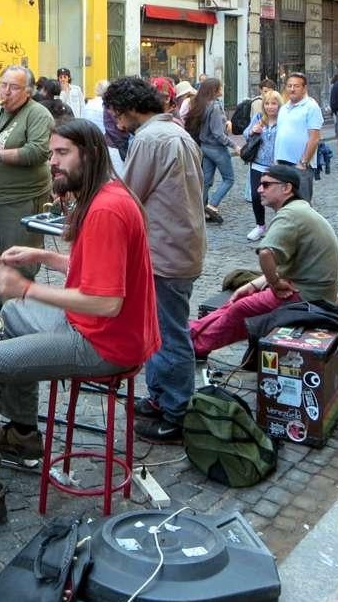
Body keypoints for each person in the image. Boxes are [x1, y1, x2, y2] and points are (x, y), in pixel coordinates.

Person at [0, 119, 160, 527]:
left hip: (104, 343)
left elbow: (105, 302)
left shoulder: (106, 209)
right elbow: (100, 270)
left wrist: (24, 287)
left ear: (89, 154)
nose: (53, 163)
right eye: (51, 153)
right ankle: (22, 432)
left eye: (61, 154)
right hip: (105, 329)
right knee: (11, 314)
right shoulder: (108, 194)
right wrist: (44, 259)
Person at [106, 78, 204, 442]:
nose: (117, 123)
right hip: (179, 245)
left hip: (165, 251)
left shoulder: (150, 138)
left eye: (118, 114)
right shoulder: (176, 132)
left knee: (168, 334)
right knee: (161, 329)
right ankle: (162, 397)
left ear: (131, 109)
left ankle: (177, 412)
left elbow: (128, 195)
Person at [189, 165, 338, 360]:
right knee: (238, 301)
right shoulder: (298, 209)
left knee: (242, 309)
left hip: (309, 295)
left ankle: (196, 346)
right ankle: (190, 333)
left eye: (266, 185)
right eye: (261, 184)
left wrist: (275, 284)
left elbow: (266, 253)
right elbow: (283, 263)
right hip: (308, 288)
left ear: (286, 188)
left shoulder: (290, 214)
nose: (259, 189)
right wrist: (254, 284)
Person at [0, 65, 52, 313]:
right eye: (2, 85)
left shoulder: (38, 114)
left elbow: (37, 152)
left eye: (13, 87)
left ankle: (18, 319)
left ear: (28, 91)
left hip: (20, 200)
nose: (5, 92)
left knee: (17, 263)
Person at [185, 78, 237, 224]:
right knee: (229, 179)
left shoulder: (203, 104)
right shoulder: (214, 106)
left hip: (205, 147)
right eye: (220, 86)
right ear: (214, 90)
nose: (223, 87)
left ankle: (199, 209)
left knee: (206, 181)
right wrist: (235, 146)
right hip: (217, 149)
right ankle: (212, 205)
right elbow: (218, 134)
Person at [242, 90, 282, 241]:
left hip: (276, 165)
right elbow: (245, 134)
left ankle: (280, 227)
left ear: (279, 105)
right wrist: (253, 130)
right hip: (258, 163)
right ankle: (260, 226)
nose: (270, 107)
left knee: (277, 198)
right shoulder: (259, 118)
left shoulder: (283, 120)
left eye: (273, 103)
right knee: (255, 195)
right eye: (267, 103)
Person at [276, 72, 322, 202]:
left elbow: (314, 138)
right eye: (289, 85)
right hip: (282, 163)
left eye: (296, 86)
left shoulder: (311, 107)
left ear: (304, 88)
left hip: (300, 166)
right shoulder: (284, 108)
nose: (292, 89)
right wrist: (276, 160)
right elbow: (280, 135)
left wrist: (304, 162)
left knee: (302, 204)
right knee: (283, 203)